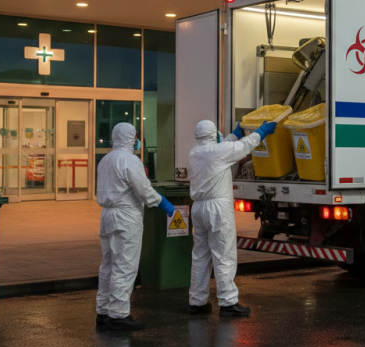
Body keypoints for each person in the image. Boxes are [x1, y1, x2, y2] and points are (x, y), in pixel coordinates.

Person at [188, 118, 277, 317]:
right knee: (224, 254)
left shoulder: (195, 153)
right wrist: (261, 132)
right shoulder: (217, 152)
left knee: (200, 256)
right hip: (217, 209)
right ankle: (228, 303)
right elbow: (241, 147)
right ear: (212, 135)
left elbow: (224, 147)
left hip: (199, 208)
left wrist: (234, 134)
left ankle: (197, 301)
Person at [96, 122, 176, 330]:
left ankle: (103, 311)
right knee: (125, 264)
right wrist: (163, 203)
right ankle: (119, 315)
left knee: (108, 265)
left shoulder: (105, 160)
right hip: (126, 216)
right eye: (135, 136)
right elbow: (144, 190)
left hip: (107, 215)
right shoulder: (130, 160)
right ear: (131, 137)